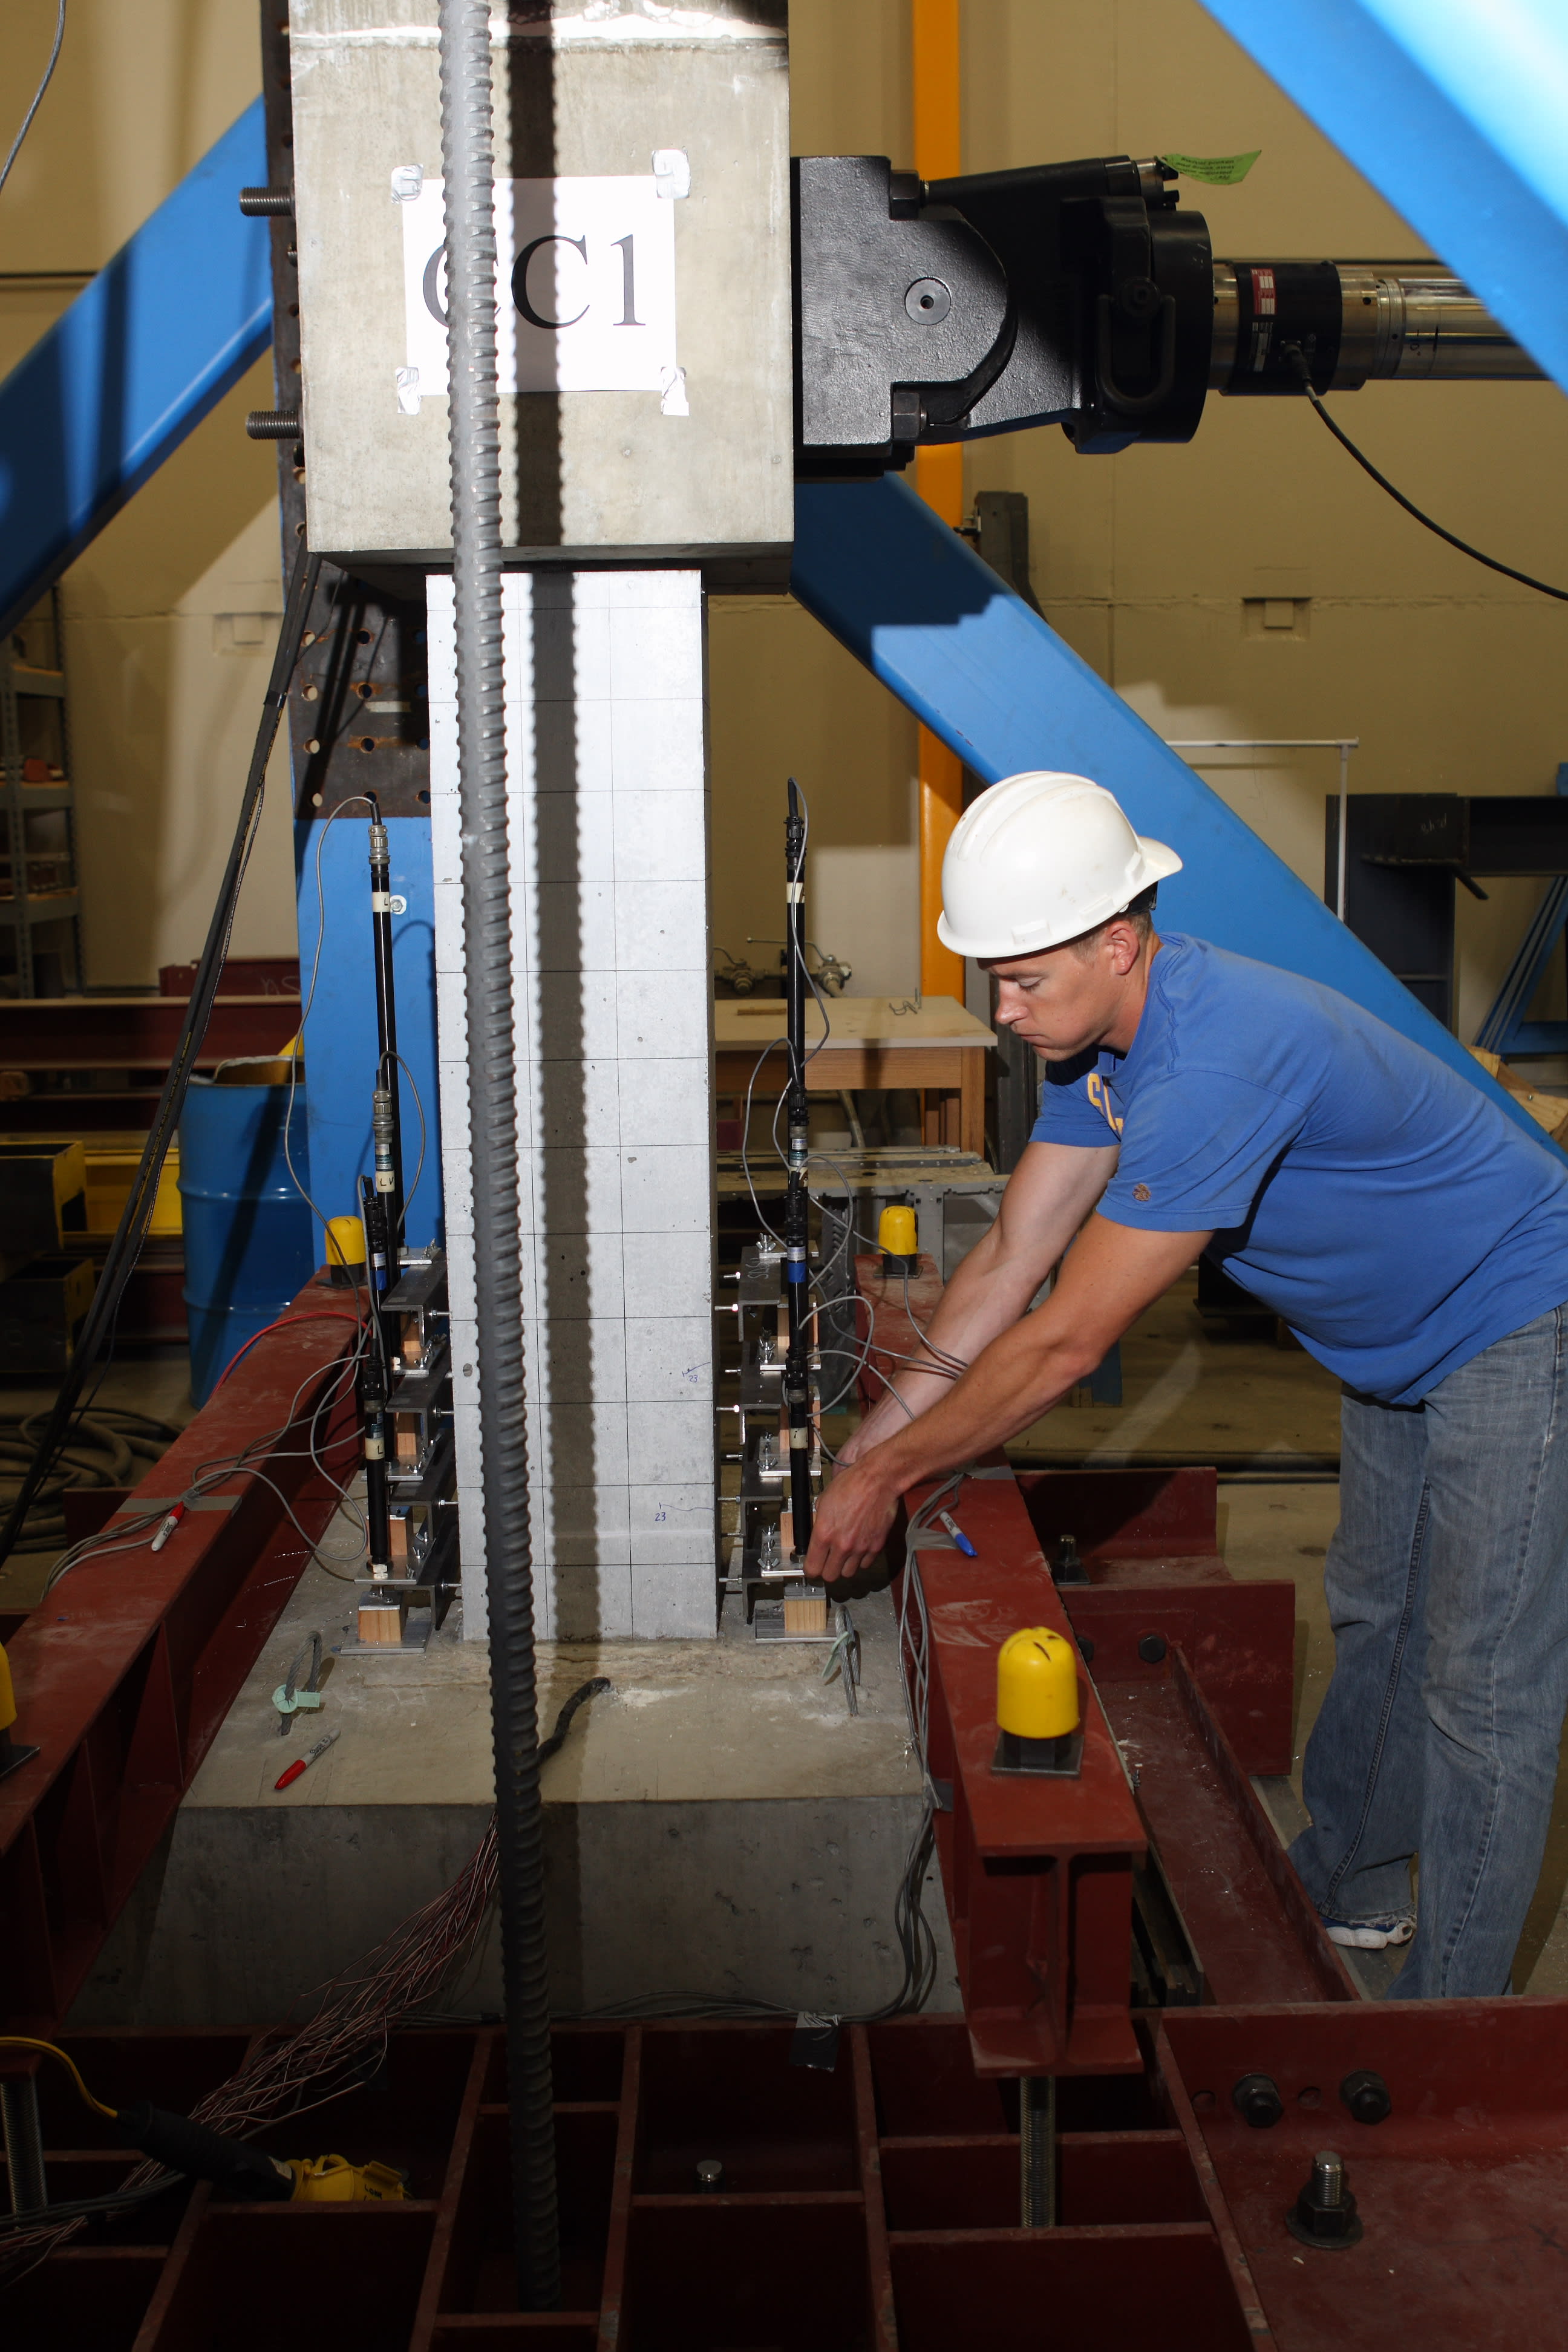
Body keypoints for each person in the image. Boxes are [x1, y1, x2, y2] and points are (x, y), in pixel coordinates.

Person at [806, 769, 1568, 1999]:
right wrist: (869, 1448)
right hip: (1392, 1344)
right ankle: (1354, 1884)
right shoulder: (1101, 1049)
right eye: (996, 979)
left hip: (1518, 1315)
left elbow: (1066, 1341)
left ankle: (1454, 2019)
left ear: (1117, 943)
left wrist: (892, 1476)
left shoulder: (1217, 1061)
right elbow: (1011, 1259)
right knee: (1380, 1613)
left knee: (1482, 1683)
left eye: (1024, 980)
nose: (1004, 1011)